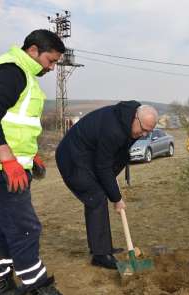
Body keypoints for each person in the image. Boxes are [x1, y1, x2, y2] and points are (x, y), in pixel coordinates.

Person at [0, 29, 64, 295]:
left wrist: (31, 156)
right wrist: (8, 160)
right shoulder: (11, 71)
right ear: (33, 51)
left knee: (5, 225)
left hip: (4, 168)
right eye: (50, 61)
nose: (52, 68)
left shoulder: (24, 74)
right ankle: (38, 286)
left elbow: (17, 126)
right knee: (25, 228)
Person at [55, 102, 158, 269]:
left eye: (149, 131)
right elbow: (103, 166)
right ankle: (100, 255)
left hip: (90, 155)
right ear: (135, 118)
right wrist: (116, 198)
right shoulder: (114, 130)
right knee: (96, 198)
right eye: (143, 129)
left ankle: (103, 247)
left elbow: (119, 156)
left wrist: (111, 181)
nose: (144, 134)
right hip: (73, 157)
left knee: (99, 195)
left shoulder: (129, 123)